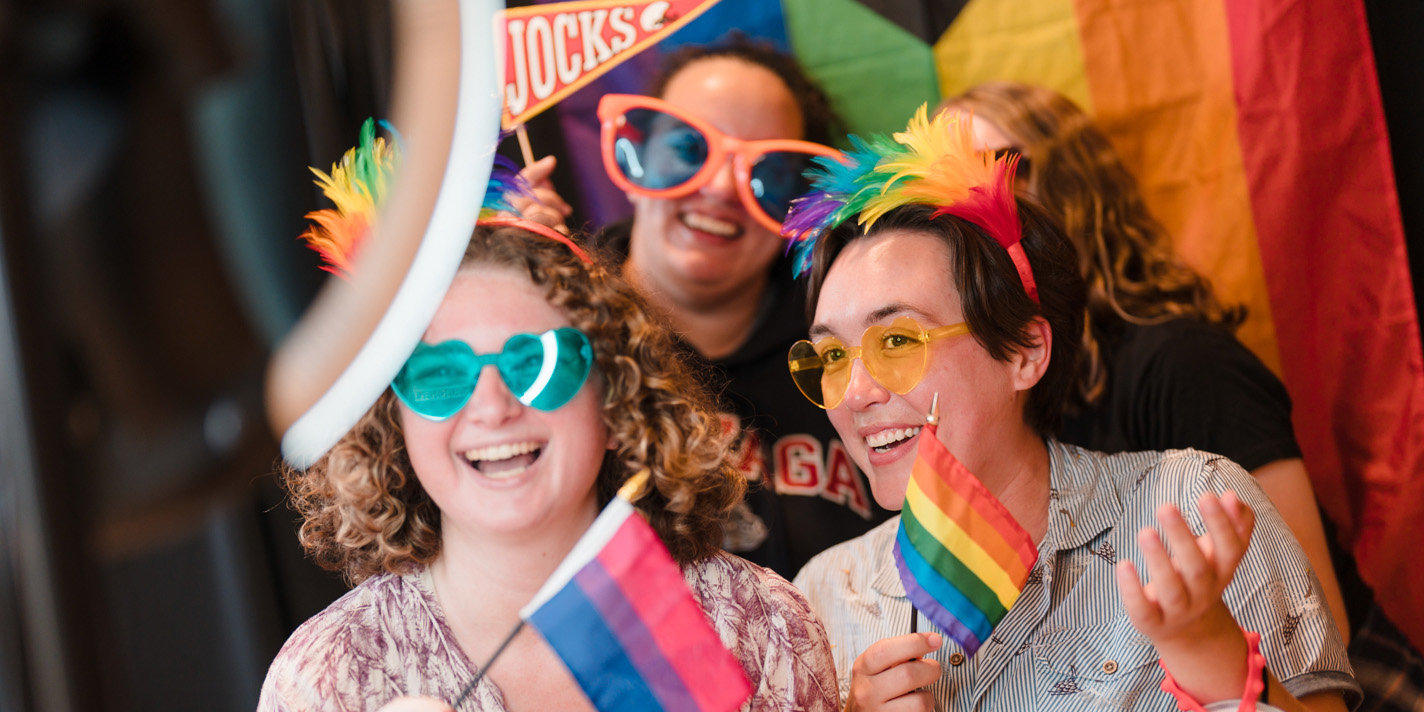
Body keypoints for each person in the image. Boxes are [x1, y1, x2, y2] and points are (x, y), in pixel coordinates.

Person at [788, 108, 1358, 710]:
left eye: (898, 341)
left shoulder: (1187, 507)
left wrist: (1210, 651)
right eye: (830, 356)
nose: (855, 394)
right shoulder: (823, 597)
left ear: (1025, 353)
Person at [258, 220, 840, 710]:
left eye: (537, 363)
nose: (493, 407)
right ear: (393, 428)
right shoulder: (330, 678)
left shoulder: (761, 627)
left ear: (616, 402)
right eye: (440, 375)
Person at [938, 82, 1356, 645]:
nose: (970, 205)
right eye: (938, 184)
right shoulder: (984, 393)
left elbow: (1318, 624)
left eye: (996, 170)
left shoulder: (1184, 364)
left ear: (1074, 187)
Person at [522, 35, 895, 578]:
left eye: (765, 171)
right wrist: (509, 291)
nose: (721, 189)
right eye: (689, 150)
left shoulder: (852, 354)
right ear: (636, 157)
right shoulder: (552, 335)